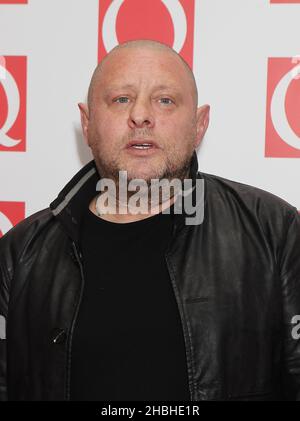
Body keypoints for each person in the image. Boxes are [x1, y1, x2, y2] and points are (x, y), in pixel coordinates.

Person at [0, 39, 299, 402]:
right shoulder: (20, 253)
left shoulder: (274, 230)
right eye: (121, 99)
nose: (141, 115)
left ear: (199, 125)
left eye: (165, 100)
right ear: (87, 123)